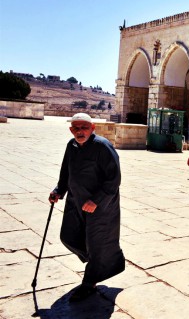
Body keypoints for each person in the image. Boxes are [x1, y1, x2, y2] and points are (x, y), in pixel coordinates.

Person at [48, 113, 125, 302]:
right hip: (76, 202)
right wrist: (59, 190)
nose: (80, 131)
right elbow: (66, 171)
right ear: (71, 129)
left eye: (84, 127)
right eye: (76, 128)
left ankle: (89, 282)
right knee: (68, 236)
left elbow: (114, 179)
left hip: (100, 207)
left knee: (97, 243)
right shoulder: (71, 145)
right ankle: (101, 260)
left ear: (92, 128)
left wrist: (97, 200)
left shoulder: (102, 146)